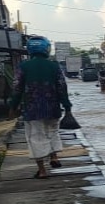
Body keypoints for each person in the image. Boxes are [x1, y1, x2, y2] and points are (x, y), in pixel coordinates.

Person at [8, 36, 73, 179]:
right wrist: (67, 107)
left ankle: (42, 170)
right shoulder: (54, 66)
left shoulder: (23, 66)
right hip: (53, 108)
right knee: (52, 132)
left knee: (36, 137)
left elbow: (17, 89)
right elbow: (62, 88)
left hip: (32, 109)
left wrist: (13, 107)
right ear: (46, 49)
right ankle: (54, 157)